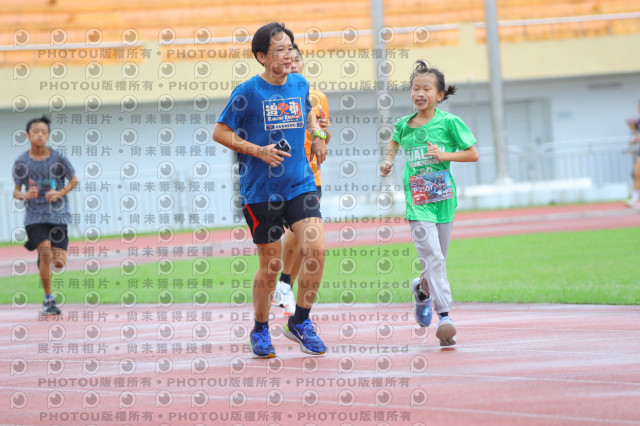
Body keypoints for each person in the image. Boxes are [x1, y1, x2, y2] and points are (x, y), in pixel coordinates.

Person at [213, 23, 329, 358]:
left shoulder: (300, 83)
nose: (288, 55)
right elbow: (220, 132)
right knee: (271, 265)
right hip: (260, 191)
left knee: (316, 250)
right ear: (262, 57)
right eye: (280, 50)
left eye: (290, 48)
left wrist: (318, 137)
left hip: (299, 184)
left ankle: (300, 321)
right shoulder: (247, 92)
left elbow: (309, 112)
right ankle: (260, 328)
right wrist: (259, 151)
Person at [380, 60, 479, 347]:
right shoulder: (404, 124)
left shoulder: (449, 123)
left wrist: (443, 155)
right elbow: (394, 141)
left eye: (426, 89)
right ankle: (445, 317)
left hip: (443, 200)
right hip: (418, 201)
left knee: (438, 260)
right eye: (415, 88)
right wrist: (388, 161)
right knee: (433, 257)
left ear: (440, 95)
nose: (420, 93)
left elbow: (472, 154)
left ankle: (421, 290)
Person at [273, 43, 331, 316]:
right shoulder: (273, 97)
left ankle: (285, 285)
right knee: (293, 236)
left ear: (303, 64)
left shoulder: (317, 97)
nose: (293, 64)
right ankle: (283, 283)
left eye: (297, 59)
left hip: (310, 176)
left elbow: (324, 137)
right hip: (279, 175)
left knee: (303, 235)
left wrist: (322, 134)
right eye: (288, 60)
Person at [12, 116, 78, 316]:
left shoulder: (58, 158)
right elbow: (16, 192)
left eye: (44, 132)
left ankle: (44, 262)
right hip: (35, 217)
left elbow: (73, 180)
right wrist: (27, 195)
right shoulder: (21, 162)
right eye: (36, 132)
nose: (40, 135)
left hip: (58, 215)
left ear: (48, 135)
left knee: (58, 262)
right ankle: (49, 299)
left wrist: (59, 192)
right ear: (27, 135)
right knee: (45, 251)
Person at [625, 100, 640, 208]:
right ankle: (635, 199)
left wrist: (636, 138)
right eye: (638, 106)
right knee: (636, 173)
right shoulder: (638, 122)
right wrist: (634, 130)